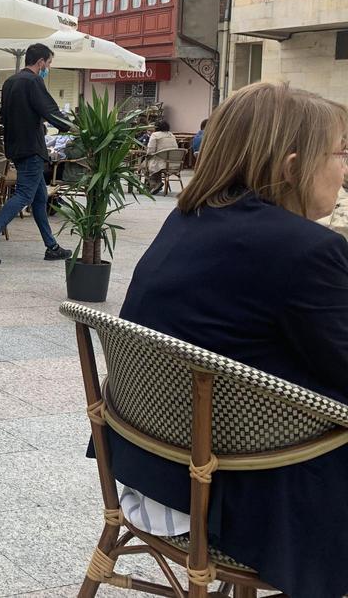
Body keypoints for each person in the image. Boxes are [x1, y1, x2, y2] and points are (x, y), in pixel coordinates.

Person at [108, 81, 348, 598]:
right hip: (244, 494)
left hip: (153, 470)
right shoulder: (307, 251)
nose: (345, 170)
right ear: (291, 167)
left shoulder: (188, 220)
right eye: (340, 153)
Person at [0, 43, 73, 264]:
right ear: (40, 62)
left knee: (39, 199)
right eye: (48, 63)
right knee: (25, 195)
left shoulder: (10, 82)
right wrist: (74, 127)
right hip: (31, 147)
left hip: (16, 147)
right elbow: (49, 110)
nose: (48, 68)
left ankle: (52, 247)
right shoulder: (33, 81)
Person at [142, 119, 179, 195]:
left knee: (143, 166)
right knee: (155, 162)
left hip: (160, 163)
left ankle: (154, 184)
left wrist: (147, 155)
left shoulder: (155, 135)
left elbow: (150, 150)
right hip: (173, 163)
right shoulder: (172, 135)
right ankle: (157, 184)